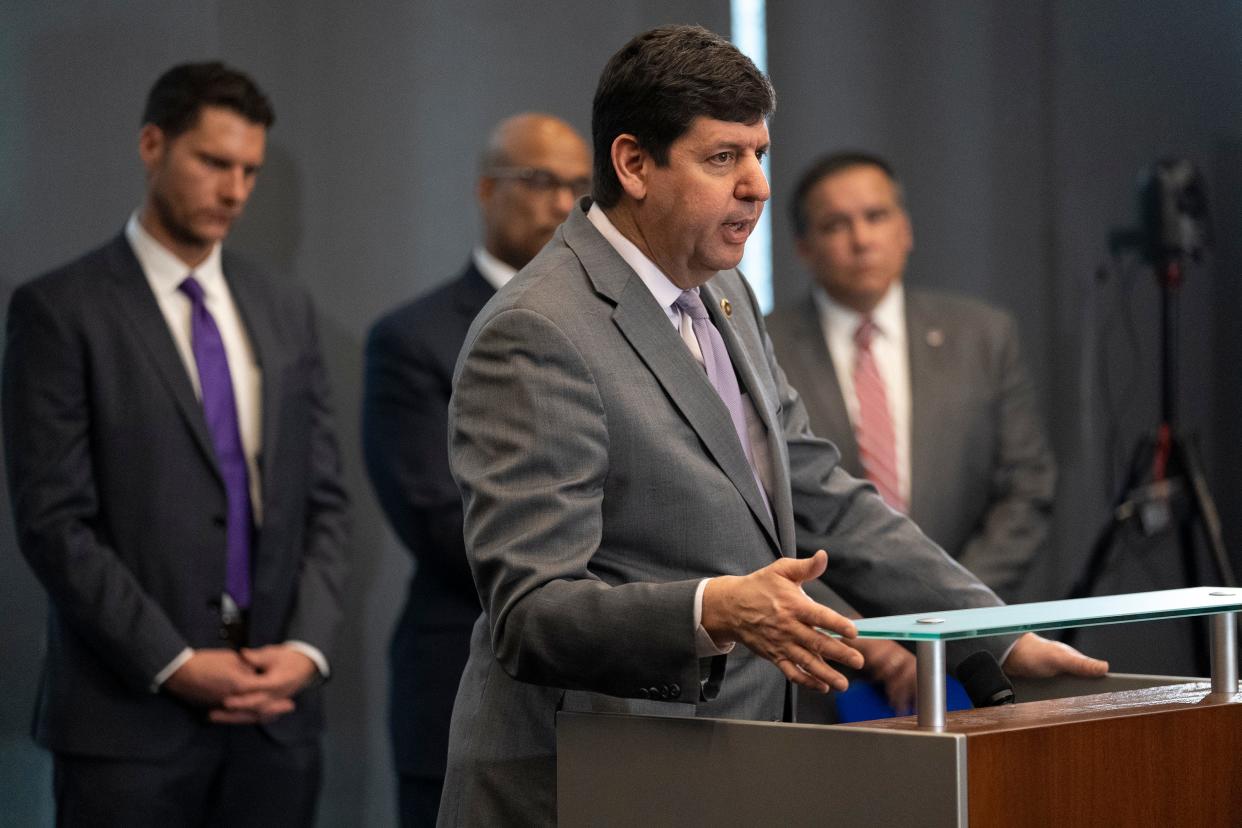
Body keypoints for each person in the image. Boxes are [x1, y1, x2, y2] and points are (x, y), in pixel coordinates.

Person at [437, 25, 1105, 826]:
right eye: (723, 158)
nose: (755, 184)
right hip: (586, 780)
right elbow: (532, 610)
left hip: (734, 764)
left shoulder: (727, 297)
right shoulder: (539, 329)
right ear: (633, 164)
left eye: (759, 154)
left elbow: (821, 491)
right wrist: (711, 608)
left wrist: (987, 631)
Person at [2, 62, 349, 826]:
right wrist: (174, 661)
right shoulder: (60, 311)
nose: (234, 191)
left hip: (276, 718)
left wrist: (307, 652)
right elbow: (54, 522)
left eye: (250, 171)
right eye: (214, 163)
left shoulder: (284, 307)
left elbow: (322, 498)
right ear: (153, 145)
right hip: (127, 724)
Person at [766, 151, 1057, 715]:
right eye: (835, 224)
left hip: (973, 652)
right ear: (803, 247)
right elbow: (761, 517)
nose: (861, 238)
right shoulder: (760, 348)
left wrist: (943, 618)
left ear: (907, 230)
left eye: (876, 217)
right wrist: (863, 636)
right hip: (827, 660)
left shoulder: (983, 336)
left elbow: (1027, 490)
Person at [362, 112, 590, 827]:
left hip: (604, 690)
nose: (562, 204)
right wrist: (617, 595)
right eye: (540, 181)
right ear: (487, 189)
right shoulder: (413, 337)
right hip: (466, 670)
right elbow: (438, 520)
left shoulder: (612, 326)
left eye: (580, 186)